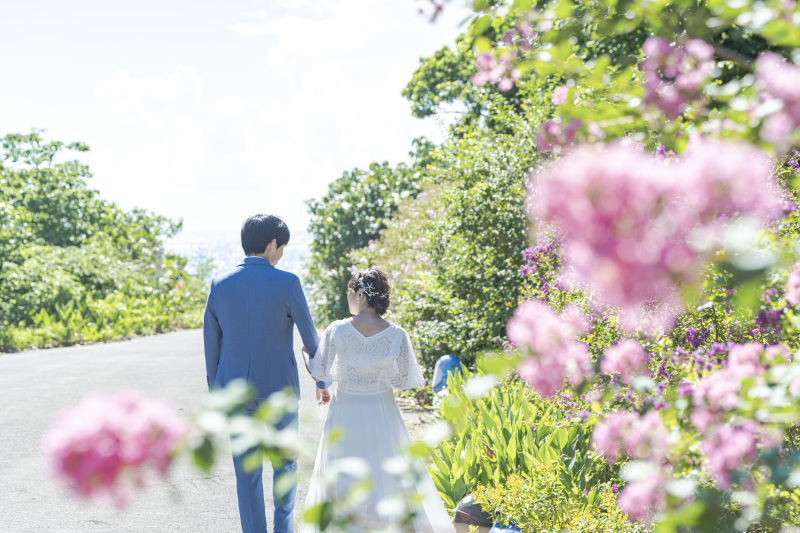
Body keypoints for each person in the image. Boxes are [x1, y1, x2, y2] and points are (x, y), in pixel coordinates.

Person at [300, 268, 456, 532]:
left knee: (343, 474)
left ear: (360, 294)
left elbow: (319, 372)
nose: (348, 297)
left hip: (346, 411)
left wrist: (306, 352)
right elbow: (404, 379)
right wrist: (378, 373)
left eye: (350, 292)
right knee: (385, 471)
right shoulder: (397, 334)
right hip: (382, 410)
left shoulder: (337, 329)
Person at [203, 214, 332, 533]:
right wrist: (322, 380)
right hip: (279, 392)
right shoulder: (288, 283)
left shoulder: (219, 284)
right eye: (283, 246)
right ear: (272, 244)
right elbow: (311, 339)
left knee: (246, 472)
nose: (282, 253)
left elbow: (211, 345)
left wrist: (216, 392)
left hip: (235, 393)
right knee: (285, 465)